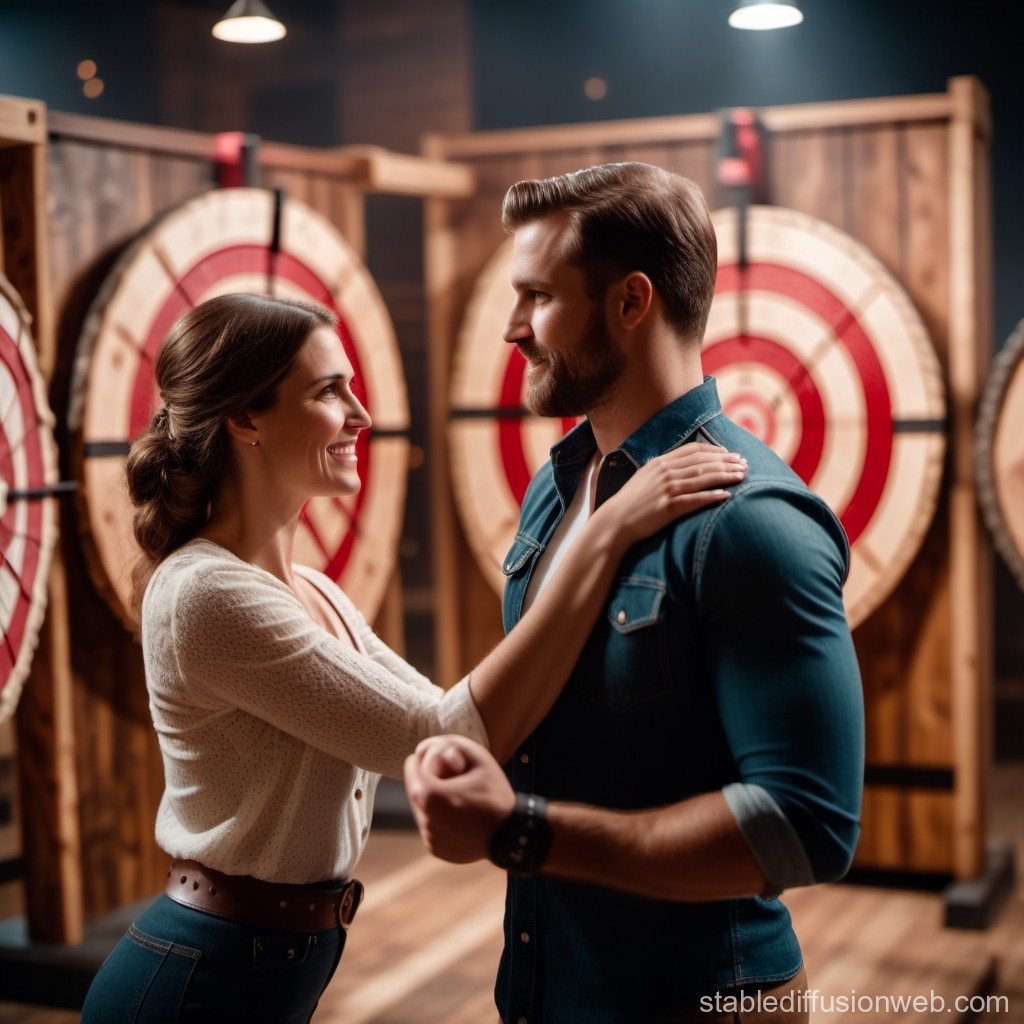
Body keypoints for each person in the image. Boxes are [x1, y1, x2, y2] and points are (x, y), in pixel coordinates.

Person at [79, 291, 747, 1024]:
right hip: (194, 982)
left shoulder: (311, 590)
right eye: (330, 392)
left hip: (264, 967)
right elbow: (444, 734)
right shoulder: (206, 595)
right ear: (245, 419)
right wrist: (604, 534)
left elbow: (455, 721)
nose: (362, 417)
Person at [403, 162, 865, 1024]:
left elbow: (807, 826)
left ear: (630, 302)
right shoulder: (557, 485)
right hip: (549, 991)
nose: (512, 328)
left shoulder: (751, 522)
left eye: (537, 296)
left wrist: (523, 831)